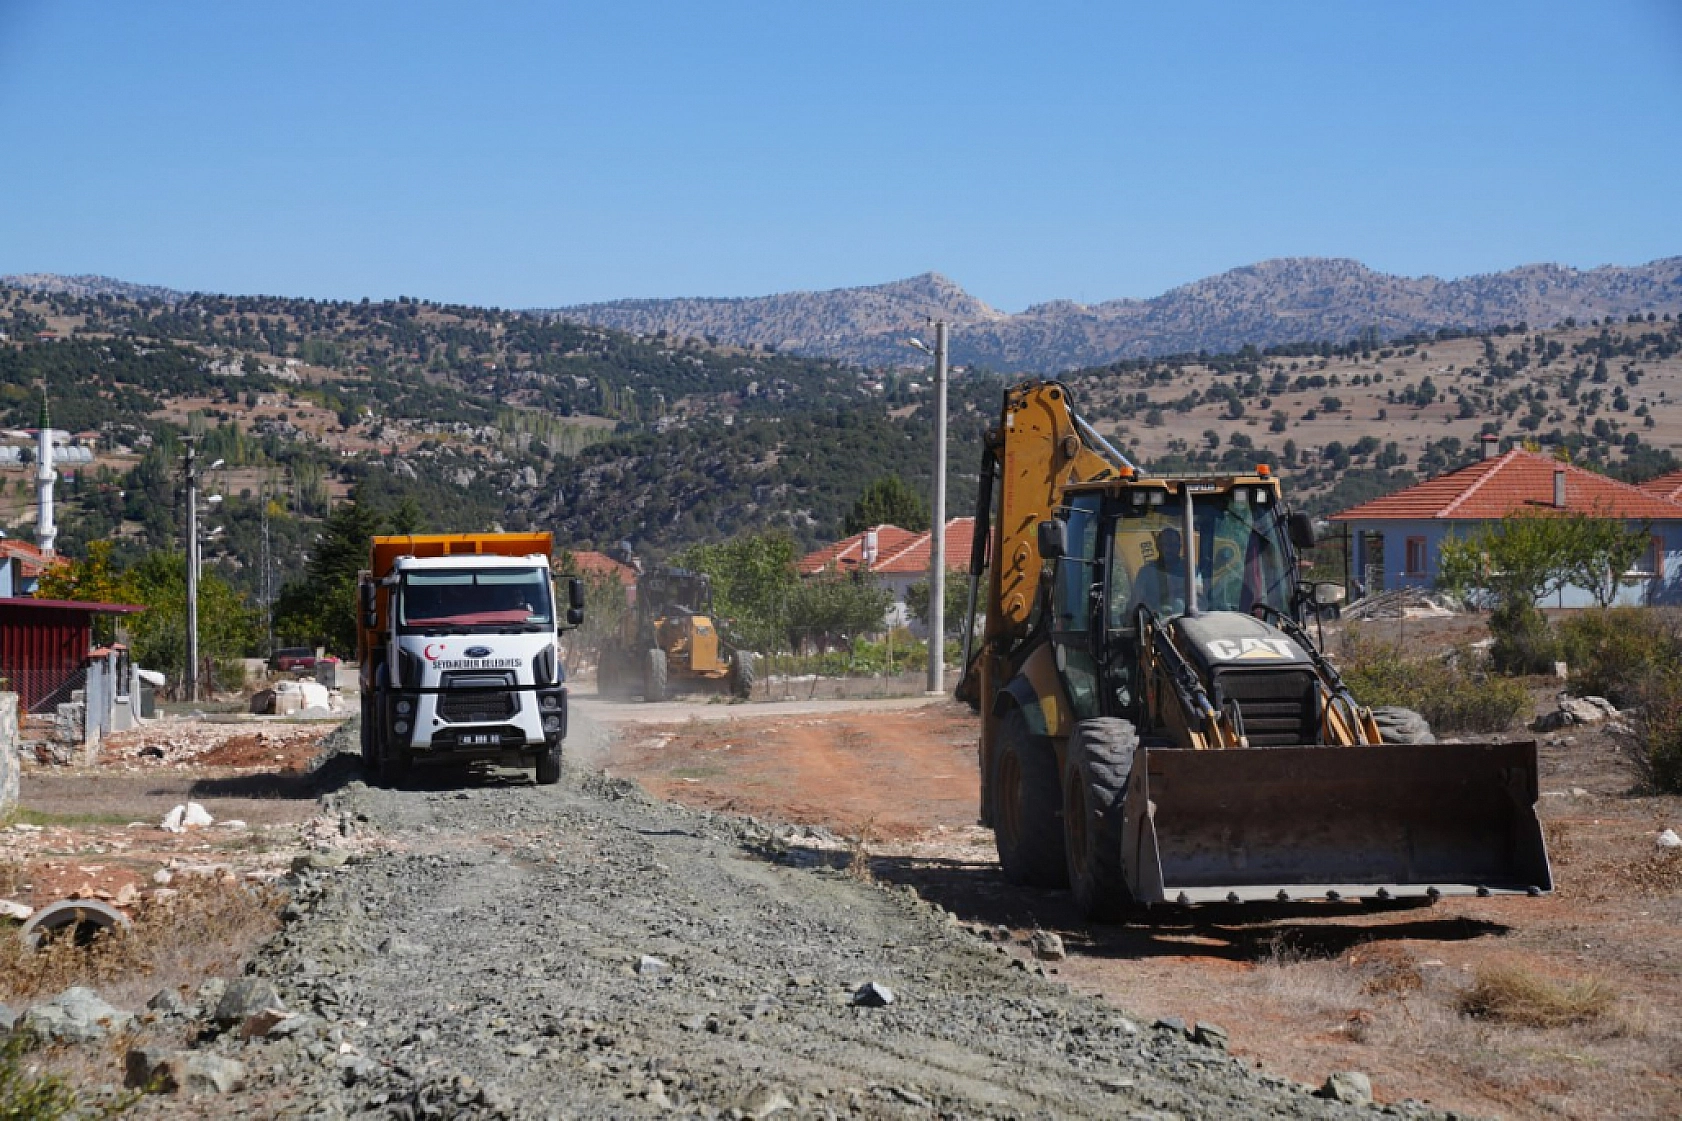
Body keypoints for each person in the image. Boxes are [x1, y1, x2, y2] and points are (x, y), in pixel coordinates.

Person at [1127, 527, 1194, 619]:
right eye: (1166, 544)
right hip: (1155, 625)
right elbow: (1136, 601)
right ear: (1158, 546)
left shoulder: (1190, 570)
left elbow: (1200, 599)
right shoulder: (1146, 572)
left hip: (1186, 622)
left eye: (1173, 545)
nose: (1169, 549)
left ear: (1180, 546)